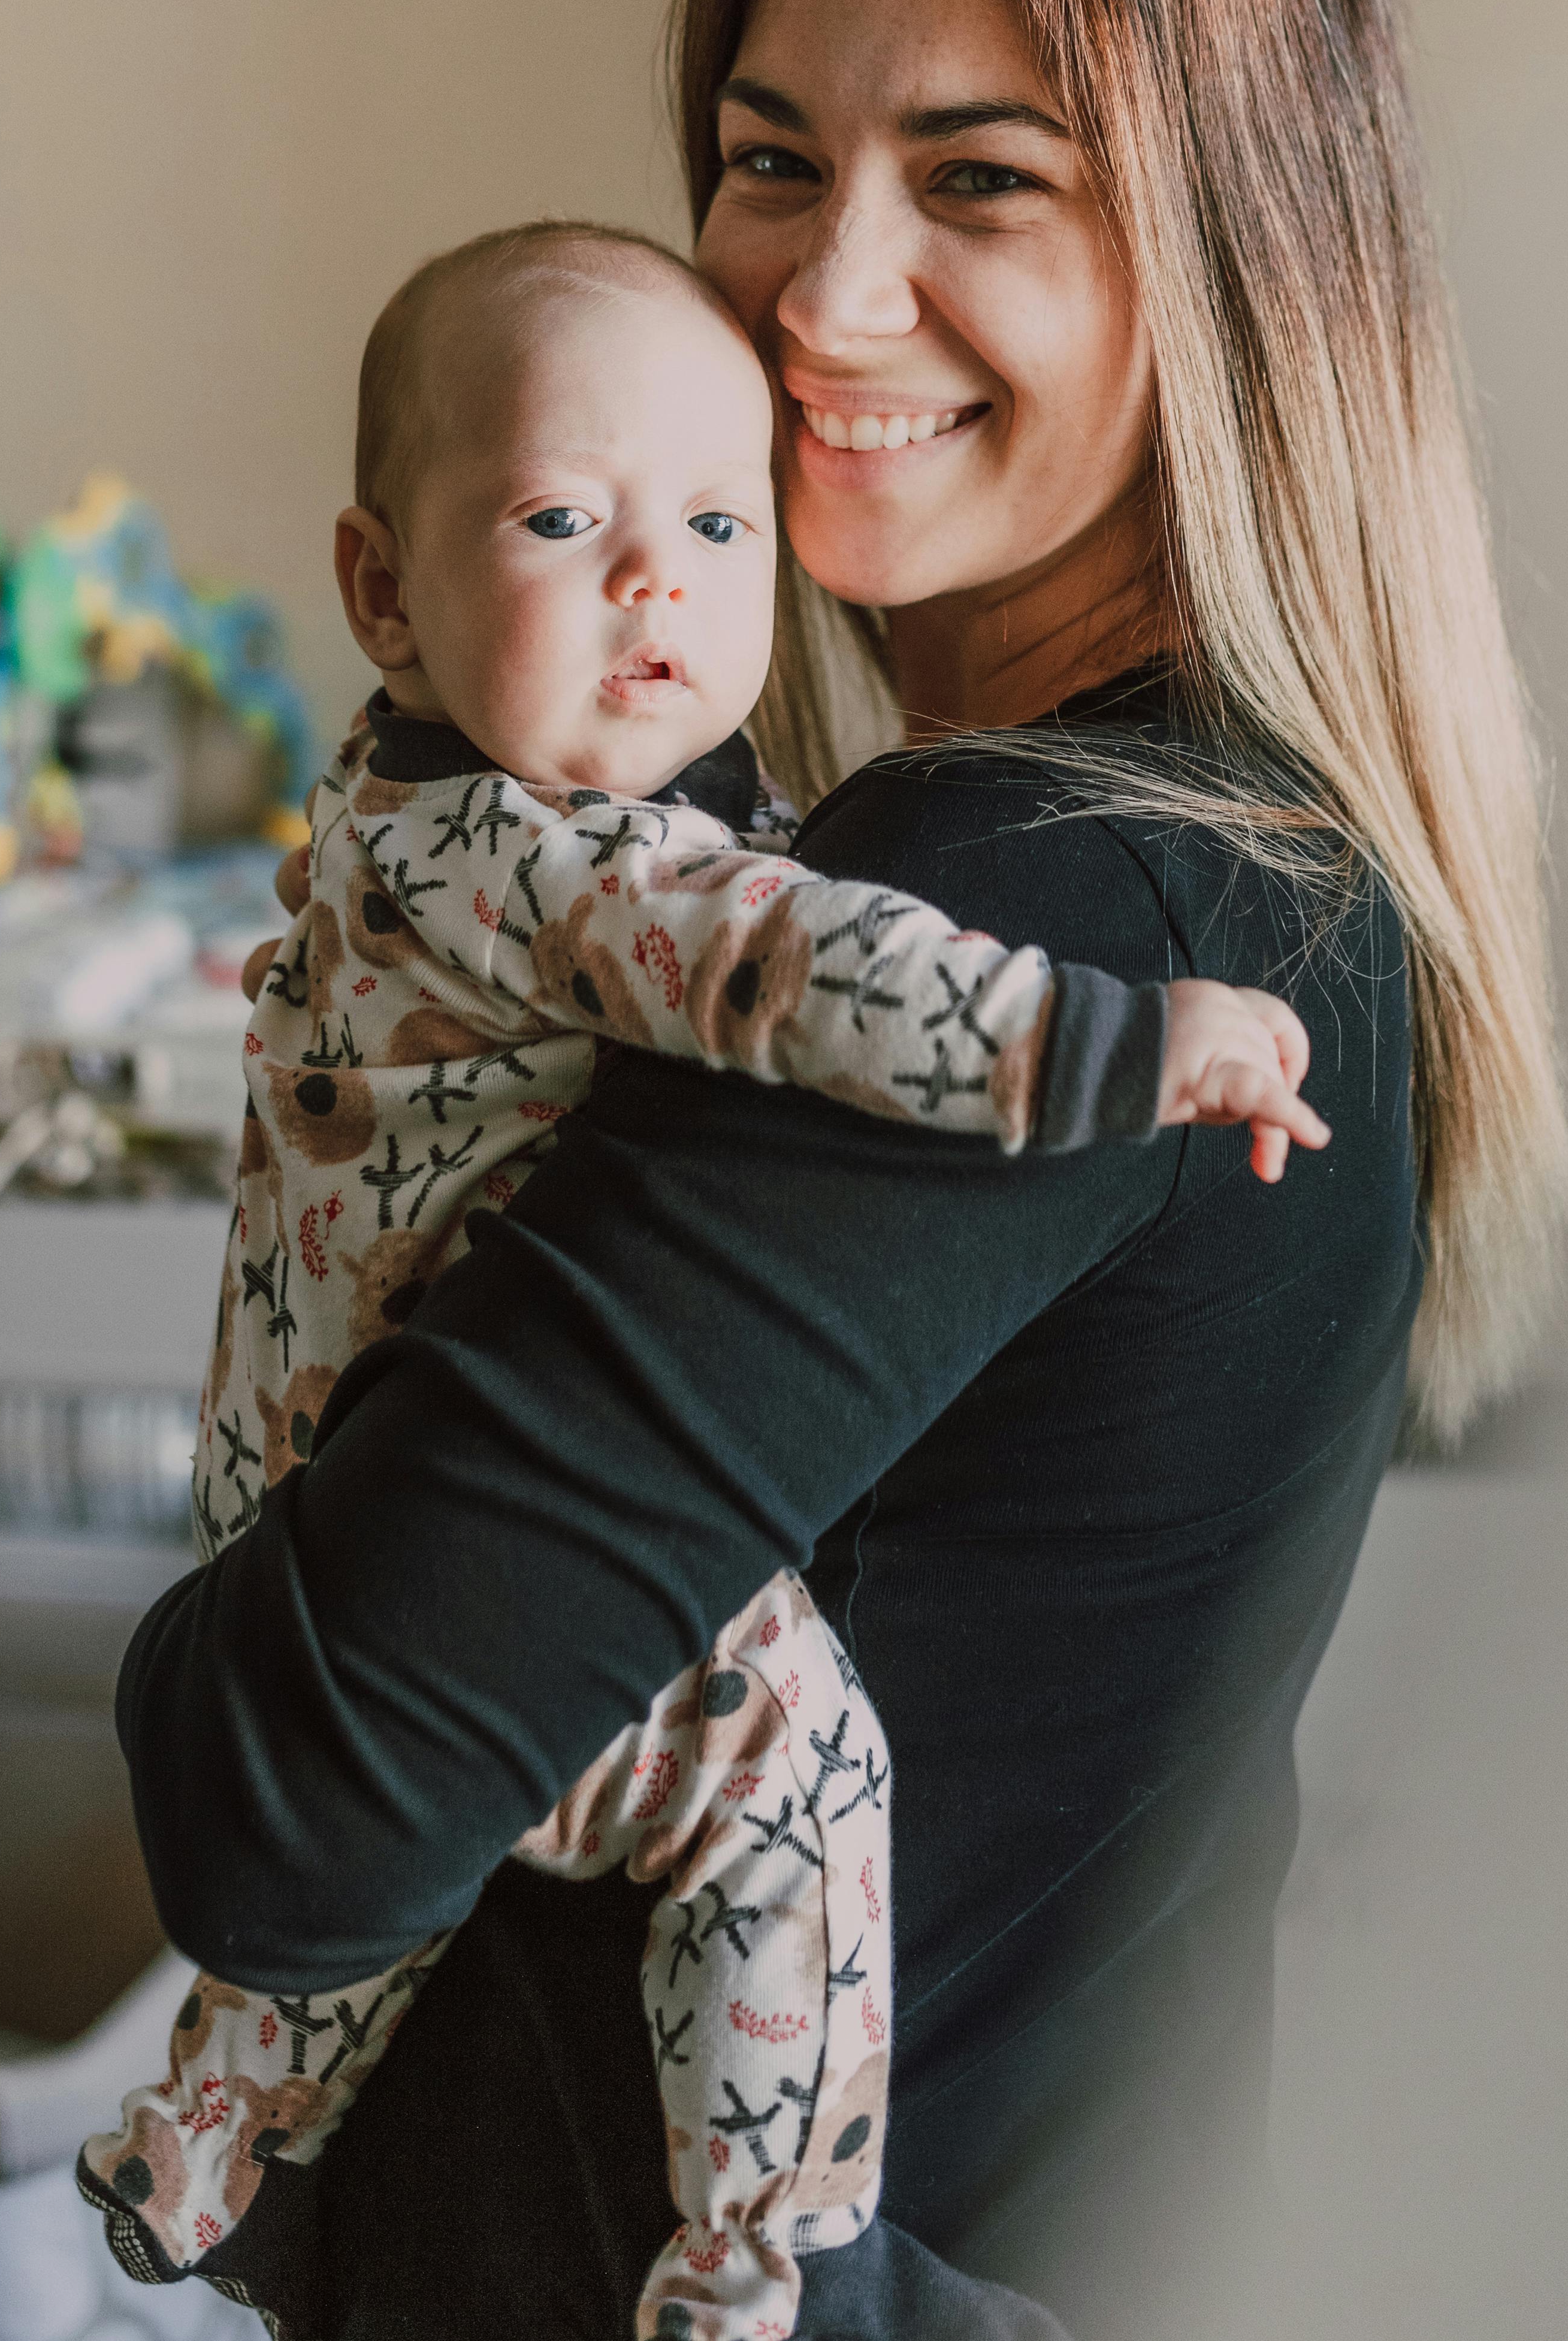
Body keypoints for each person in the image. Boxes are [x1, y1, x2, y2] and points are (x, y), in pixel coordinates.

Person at [114, 0, 1568, 2337]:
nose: (818, 289)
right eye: (768, 160)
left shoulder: (1027, 894)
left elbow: (288, 1802)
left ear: (1231, 249)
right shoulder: (1265, 854)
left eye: (979, 181)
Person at [81, 219, 1326, 2334]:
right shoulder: (539, 856)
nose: (655, 579)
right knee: (795, 1770)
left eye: (716, 520)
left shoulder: (418, 816)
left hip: (308, 1493)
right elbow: (782, 969)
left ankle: (201, 2141)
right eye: (566, 521)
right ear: (386, 591)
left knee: (381, 1901)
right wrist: (1110, 1044)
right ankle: (756, 2275)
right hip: (386, 1562)